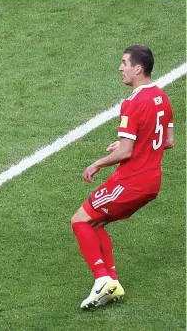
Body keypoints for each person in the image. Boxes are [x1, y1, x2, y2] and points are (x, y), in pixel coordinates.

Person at [71, 45, 174, 309]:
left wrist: (98, 163)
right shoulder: (162, 97)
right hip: (152, 181)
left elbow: (126, 150)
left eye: (124, 63)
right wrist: (130, 145)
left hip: (132, 181)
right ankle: (111, 284)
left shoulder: (132, 103)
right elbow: (168, 141)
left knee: (80, 221)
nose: (121, 68)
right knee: (95, 224)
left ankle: (102, 278)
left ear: (138, 68)